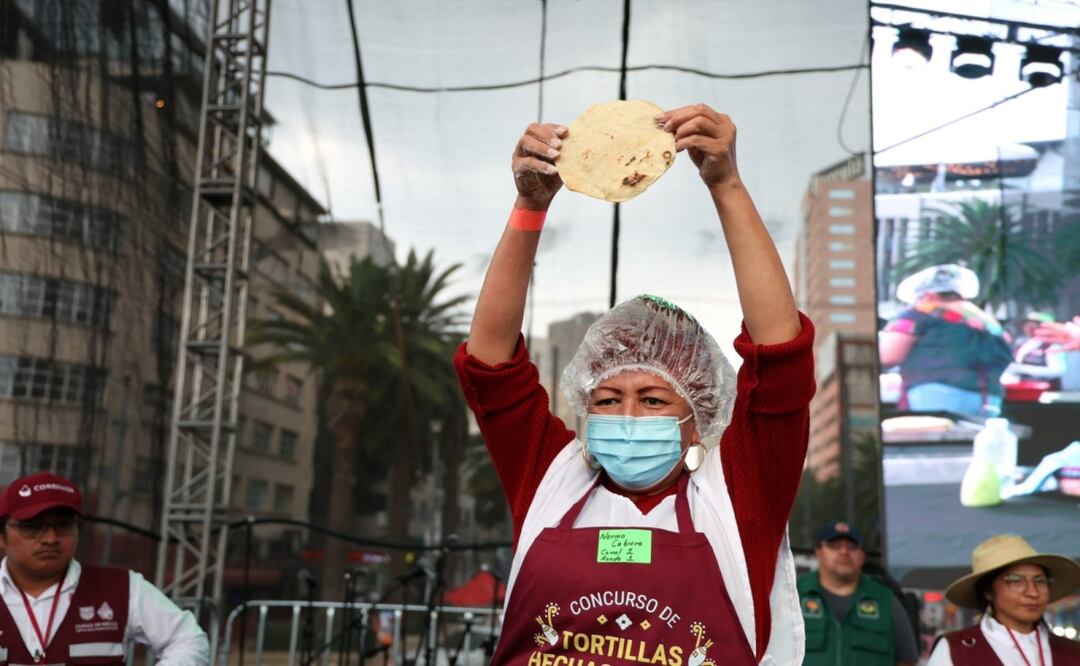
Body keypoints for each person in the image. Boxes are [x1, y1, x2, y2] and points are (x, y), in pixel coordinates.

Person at [454, 103, 815, 664]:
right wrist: (529, 206)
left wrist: (727, 183)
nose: (626, 416)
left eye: (651, 399)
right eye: (606, 399)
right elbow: (490, 366)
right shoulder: (550, 476)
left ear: (699, 417)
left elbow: (780, 359)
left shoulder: (741, 495)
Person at [0, 472, 210, 664]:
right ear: (2, 536)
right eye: (32, 527)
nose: (50, 538)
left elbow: (189, 640)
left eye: (64, 525)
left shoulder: (123, 587)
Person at [879, 264, 1012, 416]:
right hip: (988, 398)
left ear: (929, 295)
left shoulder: (920, 313)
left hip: (934, 395)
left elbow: (889, 355)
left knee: (938, 439)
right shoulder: (985, 319)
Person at [928, 534, 1080, 665]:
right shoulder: (957, 650)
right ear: (988, 591)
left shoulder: (1072, 651)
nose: (1033, 592)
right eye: (1016, 581)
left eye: (1040, 581)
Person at [797, 521, 919, 666]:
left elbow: (907, 661)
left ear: (862, 556)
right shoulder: (794, 596)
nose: (844, 552)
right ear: (818, 551)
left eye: (852, 546)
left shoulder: (886, 601)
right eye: (834, 545)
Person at [1006, 312, 1066, 388]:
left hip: (1046, 391)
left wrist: (1024, 369)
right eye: (1027, 324)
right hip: (1022, 389)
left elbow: (1058, 371)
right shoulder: (1021, 344)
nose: (1030, 328)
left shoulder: (1053, 346)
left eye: (1036, 325)